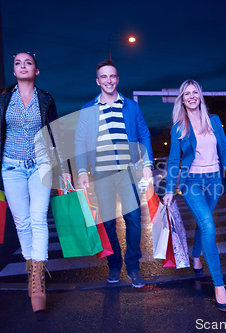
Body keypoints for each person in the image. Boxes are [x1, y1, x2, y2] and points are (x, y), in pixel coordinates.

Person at [0, 52, 70, 312]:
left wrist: (63, 168)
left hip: (40, 166)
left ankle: (38, 279)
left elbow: (55, 134)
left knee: (39, 218)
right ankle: (32, 268)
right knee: (23, 222)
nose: (22, 65)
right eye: (18, 63)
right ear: (14, 70)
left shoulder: (46, 99)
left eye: (27, 62)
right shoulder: (3, 100)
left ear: (36, 71)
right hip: (10, 167)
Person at [162, 79, 226, 312]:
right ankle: (219, 285)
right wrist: (168, 190)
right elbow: (174, 161)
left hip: (215, 180)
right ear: (182, 99)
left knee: (202, 223)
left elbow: (224, 151)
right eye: (187, 93)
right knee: (208, 224)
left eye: (195, 92)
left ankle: (196, 255)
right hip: (192, 183)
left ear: (200, 95)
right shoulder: (179, 127)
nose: (192, 96)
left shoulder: (213, 120)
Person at [74, 59, 153, 288]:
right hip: (101, 174)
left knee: (134, 221)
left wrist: (147, 162)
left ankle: (134, 266)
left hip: (128, 172)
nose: (109, 80)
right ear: (98, 80)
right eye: (104, 77)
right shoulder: (88, 109)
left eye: (113, 76)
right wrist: (81, 171)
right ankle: (114, 264)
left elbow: (144, 134)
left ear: (117, 79)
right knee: (108, 223)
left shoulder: (131, 106)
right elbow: (80, 142)